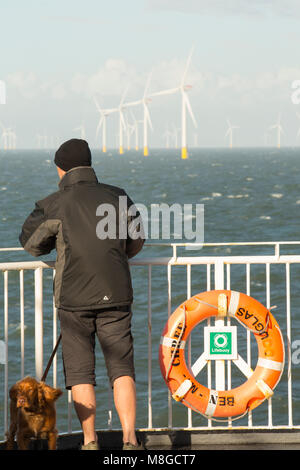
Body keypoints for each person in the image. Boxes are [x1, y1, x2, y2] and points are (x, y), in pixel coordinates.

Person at [19, 138, 145, 450]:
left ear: (61, 170)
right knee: (122, 369)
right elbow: (137, 238)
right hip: (116, 293)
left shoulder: (53, 203)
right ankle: (130, 439)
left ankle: (90, 441)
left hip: (73, 300)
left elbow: (31, 243)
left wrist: (58, 245)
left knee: (80, 375)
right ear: (89, 166)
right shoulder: (118, 196)